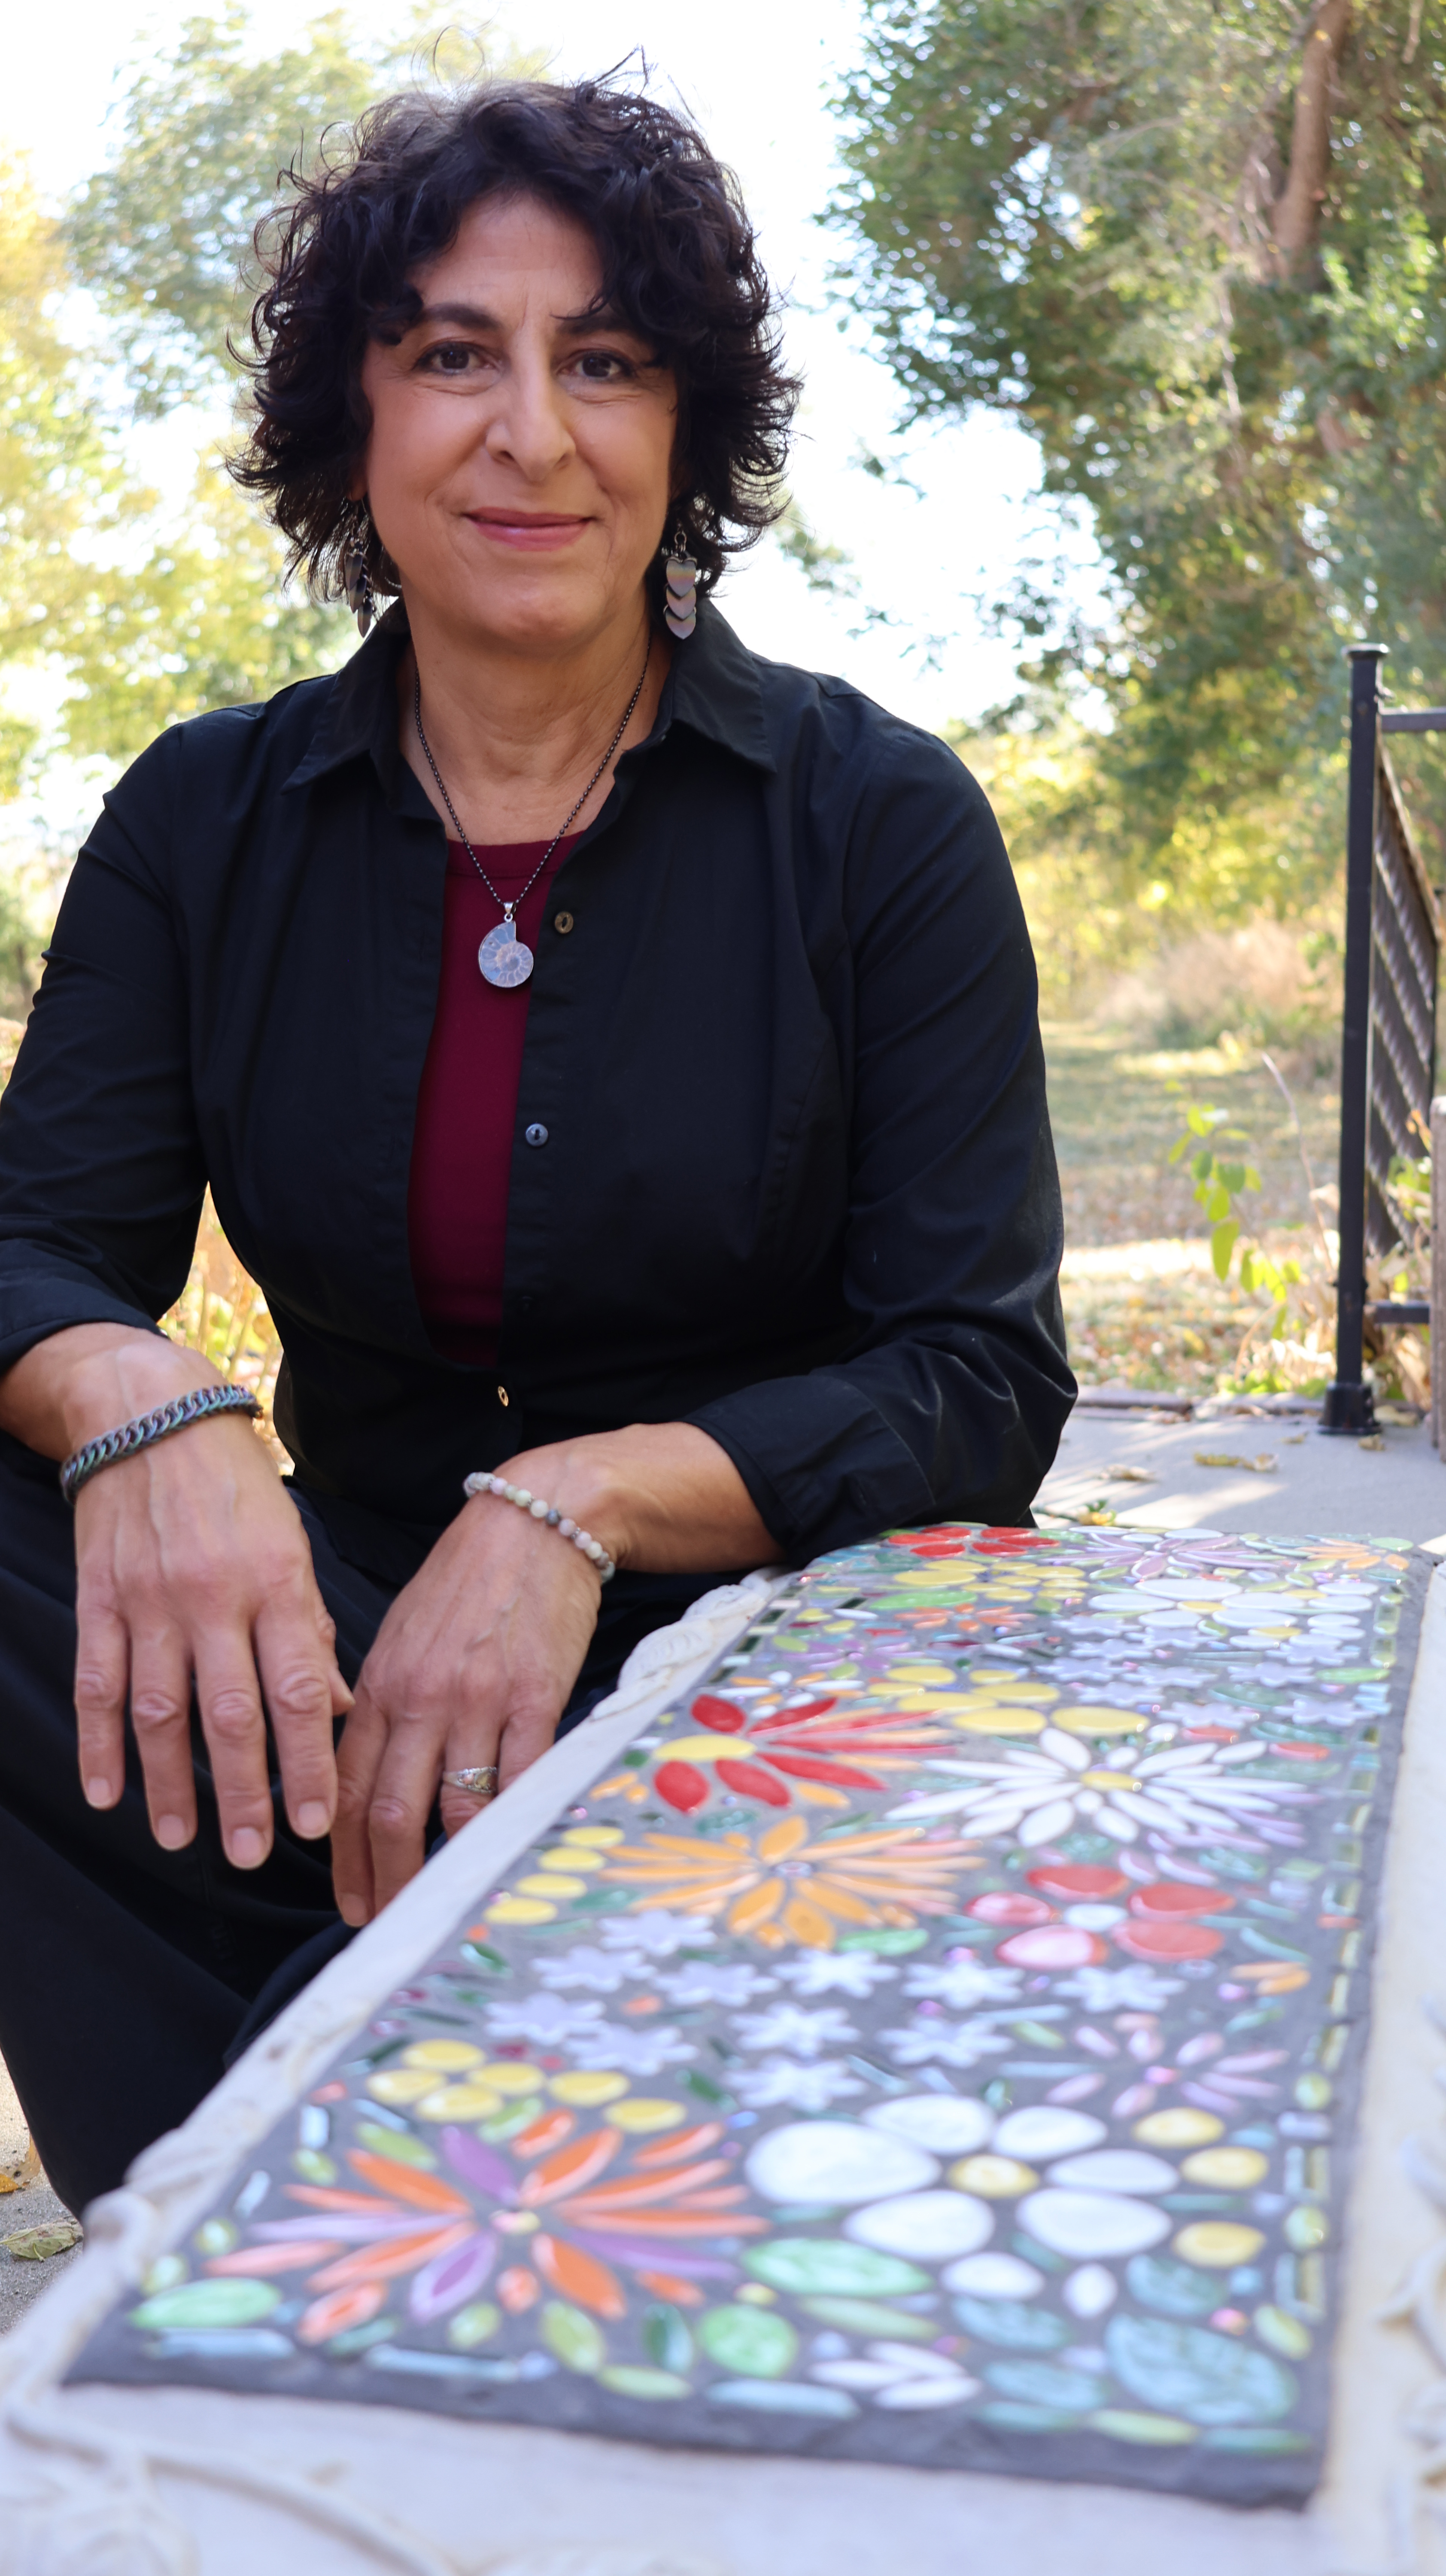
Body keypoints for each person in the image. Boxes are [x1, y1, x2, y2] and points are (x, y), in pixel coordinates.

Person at [0, 78, 1073, 2215]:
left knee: (517, 1954)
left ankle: (331, 2157)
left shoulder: (875, 825)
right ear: (355, 420)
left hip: (761, 1671)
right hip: (325, 1668)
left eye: (603, 361)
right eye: (449, 355)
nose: (531, 433)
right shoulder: (203, 823)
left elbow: (977, 1373)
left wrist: (569, 1506)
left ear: (682, 433)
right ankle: (312, 2161)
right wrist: (146, 1397)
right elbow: (33, 1245)